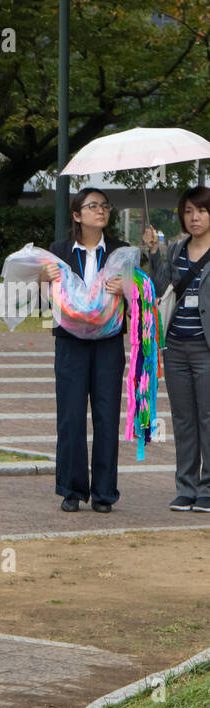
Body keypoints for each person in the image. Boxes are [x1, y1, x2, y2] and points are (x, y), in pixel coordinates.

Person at [43, 188, 128, 513]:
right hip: (70, 343)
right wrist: (41, 278)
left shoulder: (121, 251)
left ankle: (105, 492)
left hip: (108, 344)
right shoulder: (59, 251)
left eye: (104, 206)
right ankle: (71, 489)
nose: (100, 211)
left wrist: (129, 287)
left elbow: (143, 297)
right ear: (77, 215)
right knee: (71, 417)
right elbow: (42, 299)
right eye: (93, 206)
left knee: (107, 416)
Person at [146, 185, 210, 512]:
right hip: (175, 346)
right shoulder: (175, 250)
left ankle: (207, 488)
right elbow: (158, 288)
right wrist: (154, 252)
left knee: (207, 419)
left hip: (206, 349)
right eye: (188, 211)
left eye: (200, 210)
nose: (194, 217)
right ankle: (185, 486)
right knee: (183, 419)